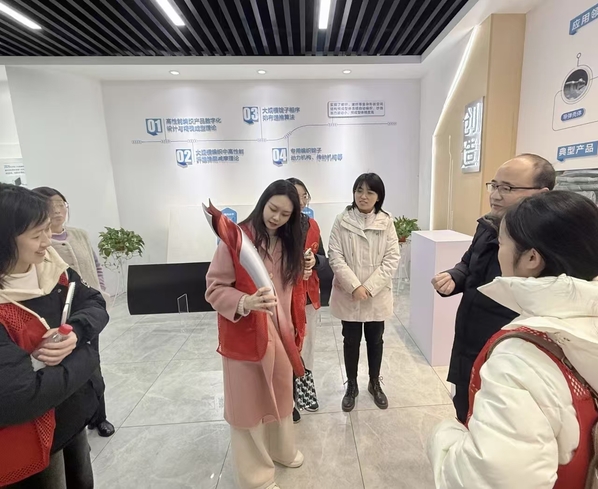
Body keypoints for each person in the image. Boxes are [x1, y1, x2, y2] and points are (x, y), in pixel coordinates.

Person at [428, 191, 598, 489]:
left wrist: (443, 437)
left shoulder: (519, 360)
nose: (496, 193)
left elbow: (482, 480)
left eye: (502, 244)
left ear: (532, 258)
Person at [431, 153, 556, 422]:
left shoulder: (549, 246)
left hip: (508, 353)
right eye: (494, 185)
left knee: (494, 422)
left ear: (541, 194)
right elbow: (469, 262)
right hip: (468, 340)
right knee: (463, 408)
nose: (496, 195)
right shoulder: (488, 225)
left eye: (507, 188)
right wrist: (454, 276)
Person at [0, 183, 108, 488]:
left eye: (48, 230)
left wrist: (77, 331)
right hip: (27, 436)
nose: (47, 241)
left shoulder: (52, 269)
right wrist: (87, 355)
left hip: (71, 411)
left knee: (81, 478)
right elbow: (21, 396)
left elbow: (93, 302)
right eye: (37, 235)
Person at [205, 180, 312, 489]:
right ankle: (255, 476)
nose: (276, 218)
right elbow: (213, 288)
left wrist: (304, 266)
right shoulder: (237, 240)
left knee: (281, 394)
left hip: (280, 333)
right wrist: (245, 302)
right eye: (272, 209)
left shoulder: (289, 241)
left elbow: (290, 285)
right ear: (262, 203)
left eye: (285, 214)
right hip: (245, 333)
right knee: (248, 405)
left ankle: (281, 450)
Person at [33, 186, 115, 438]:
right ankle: (77, 421)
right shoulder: (42, 246)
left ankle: (99, 416)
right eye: (51, 206)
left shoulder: (79, 234)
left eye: (61, 204)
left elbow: (95, 265)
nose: (58, 210)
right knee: (68, 369)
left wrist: (100, 291)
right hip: (60, 319)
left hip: (88, 310)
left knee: (93, 363)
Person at [328, 173, 400, 412]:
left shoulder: (386, 222)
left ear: (379, 196)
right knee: (350, 341)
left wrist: (368, 288)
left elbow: (392, 258)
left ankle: (374, 383)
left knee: (375, 340)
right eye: (359, 190)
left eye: (370, 192)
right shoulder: (342, 220)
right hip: (349, 294)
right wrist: (354, 286)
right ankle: (351, 385)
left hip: (376, 295)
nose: (363, 196)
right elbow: (335, 255)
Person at [287, 177, 327, 421]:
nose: (300, 201)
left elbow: (323, 257)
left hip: (308, 297)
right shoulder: (277, 227)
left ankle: (305, 394)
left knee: (307, 347)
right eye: (295, 196)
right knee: (286, 349)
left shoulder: (312, 224)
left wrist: (315, 261)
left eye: (304, 196)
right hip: (284, 298)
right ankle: (288, 400)